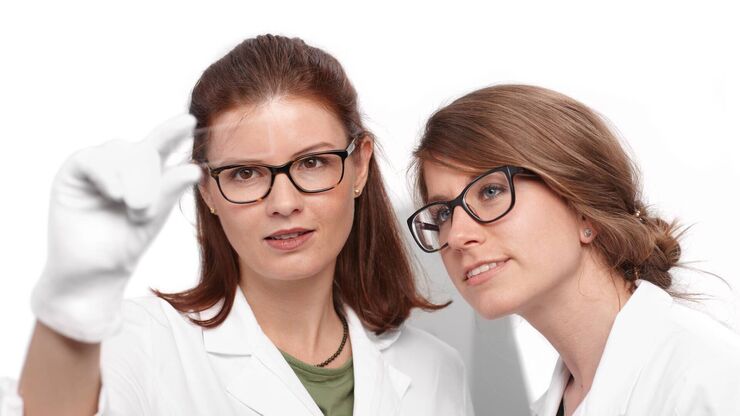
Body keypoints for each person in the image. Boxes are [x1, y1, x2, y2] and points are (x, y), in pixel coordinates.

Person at [10, 35, 473, 415]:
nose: (283, 203)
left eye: (311, 162)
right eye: (244, 173)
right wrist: (75, 298)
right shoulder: (139, 343)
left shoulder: (434, 369)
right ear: (207, 189)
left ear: (359, 167)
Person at [406, 84, 740, 415]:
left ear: (584, 207)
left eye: (491, 191)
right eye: (443, 213)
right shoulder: (554, 404)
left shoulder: (711, 383)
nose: (459, 234)